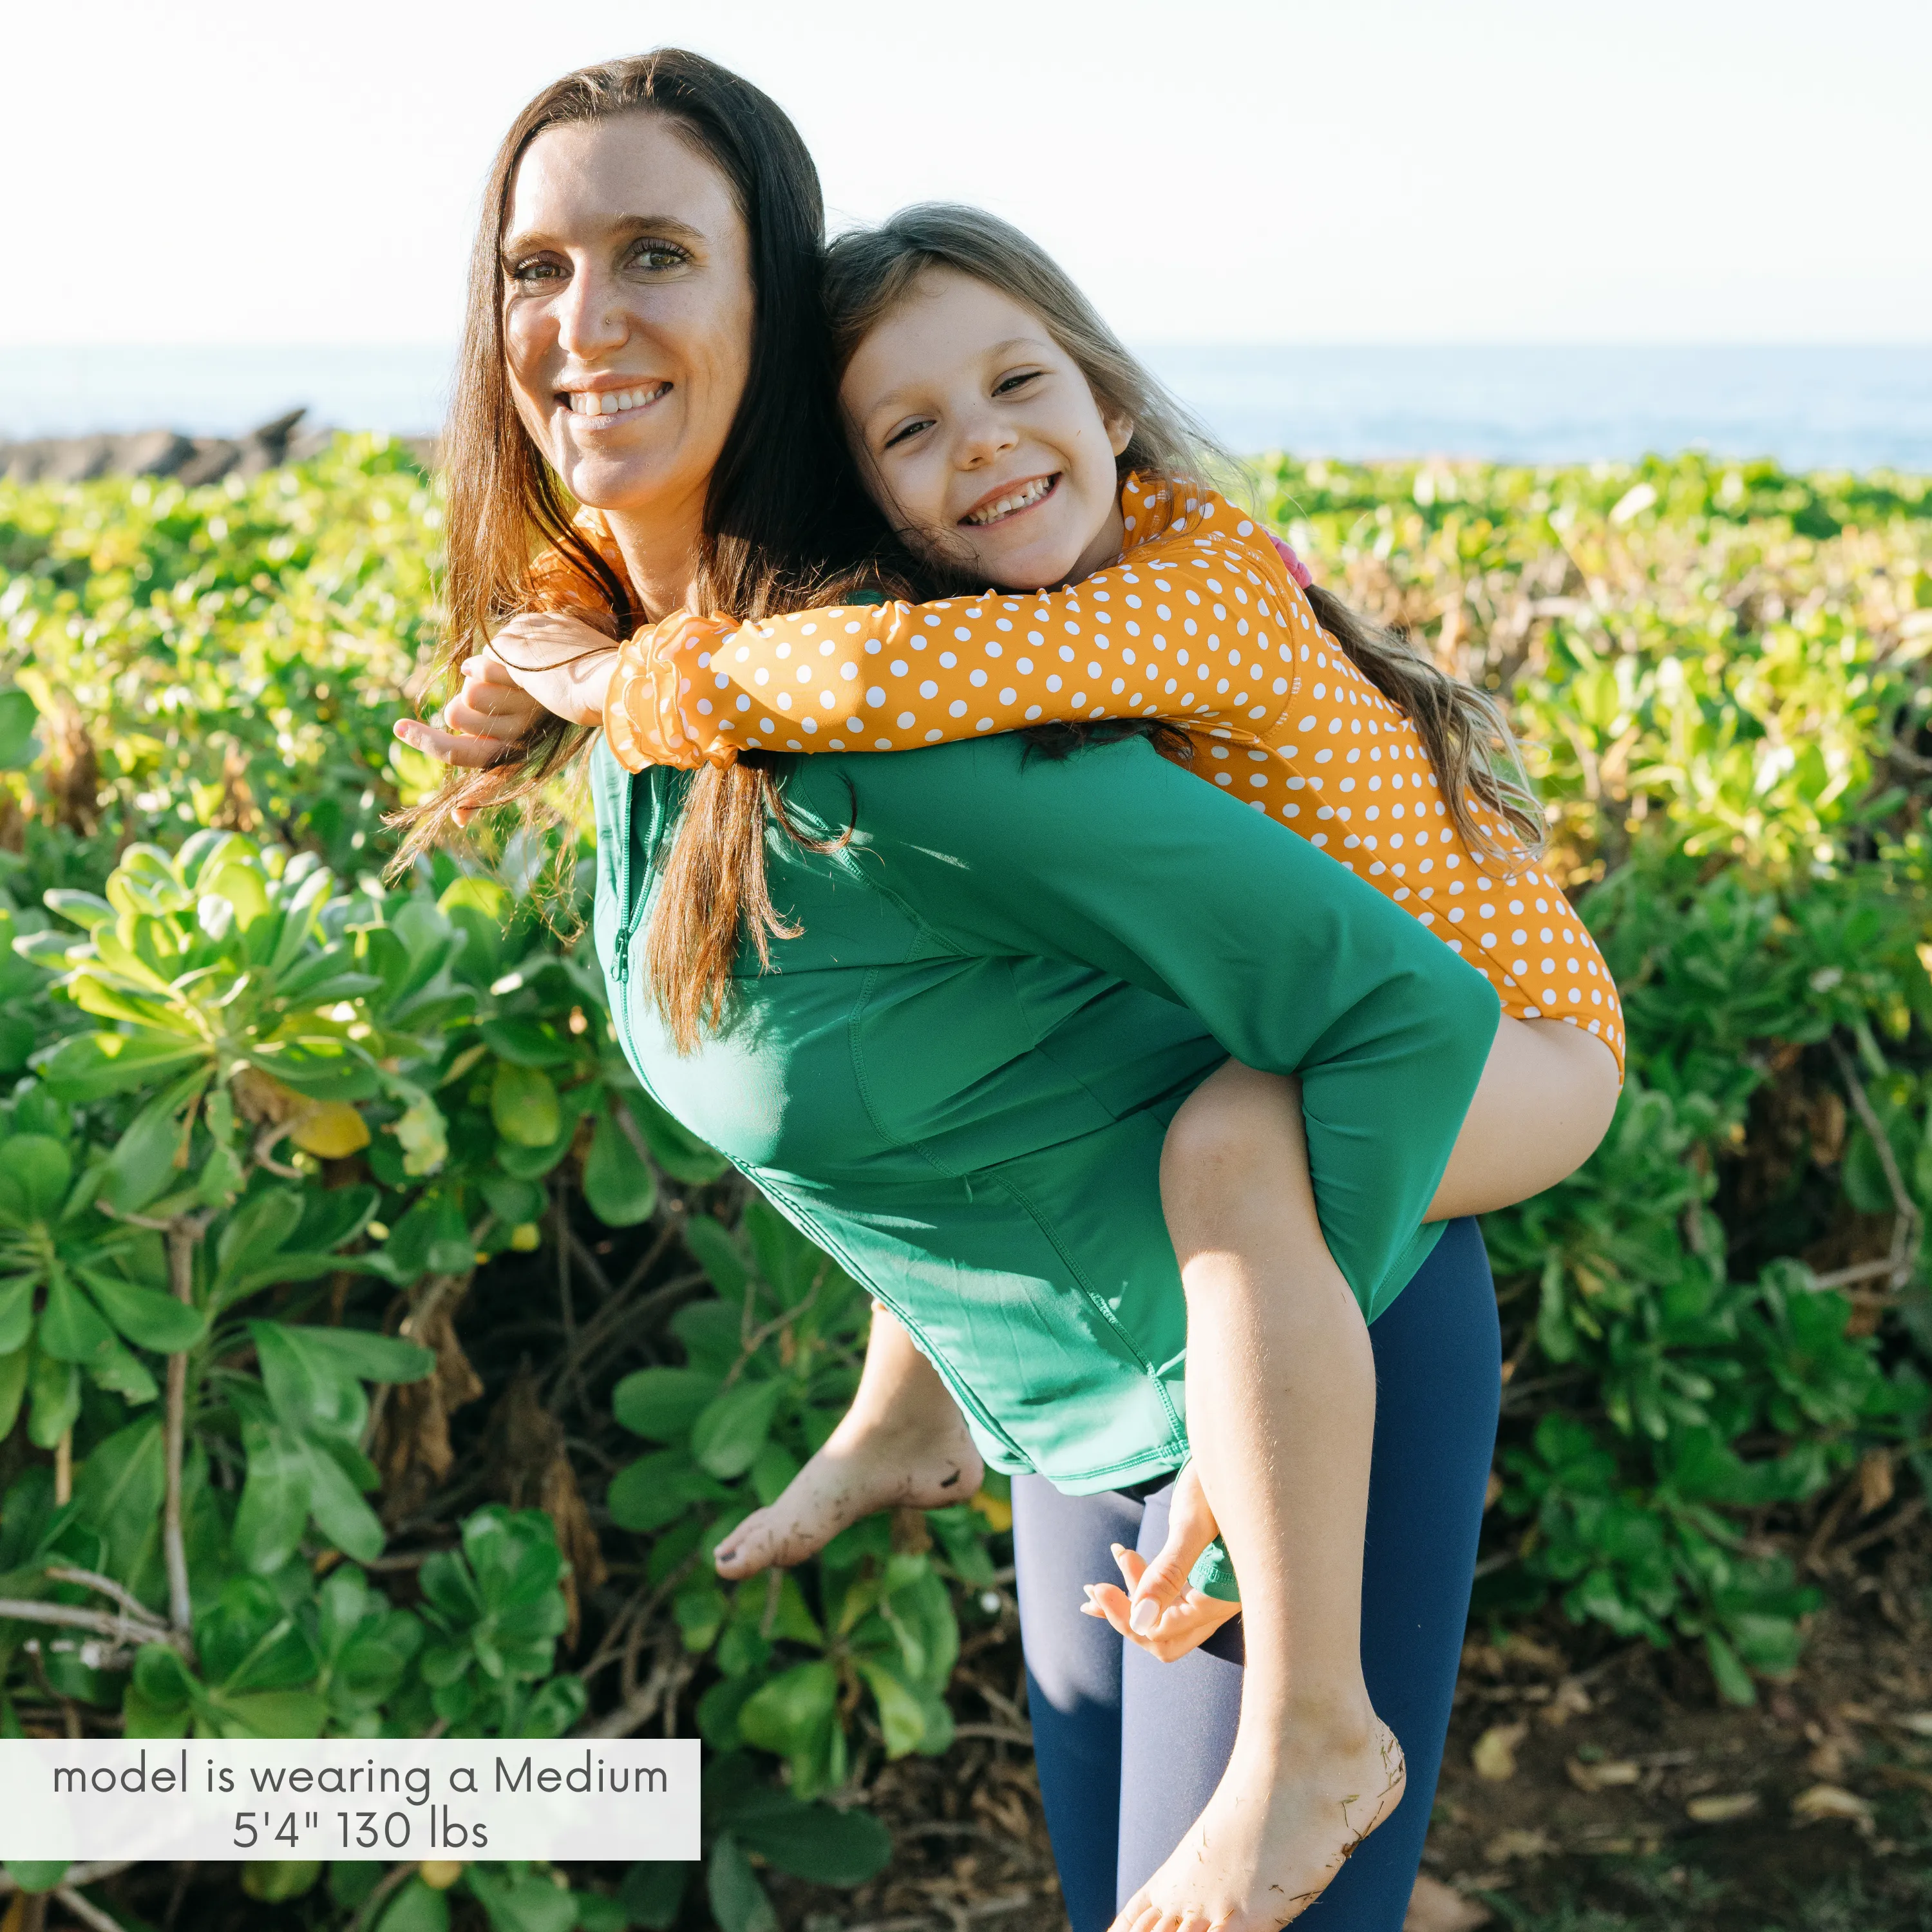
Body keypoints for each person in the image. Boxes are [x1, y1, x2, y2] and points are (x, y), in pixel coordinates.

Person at [396, 55, 1610, 1931]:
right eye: (533, 267)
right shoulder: (680, 677)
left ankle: (1316, 1722)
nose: (585, 319)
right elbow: (943, 1065)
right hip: (1074, 1413)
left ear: (767, 321)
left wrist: (1219, 1439)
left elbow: (1399, 1012)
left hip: (1300, 1343)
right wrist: (925, 1384)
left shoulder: (893, 723)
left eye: (655, 254)